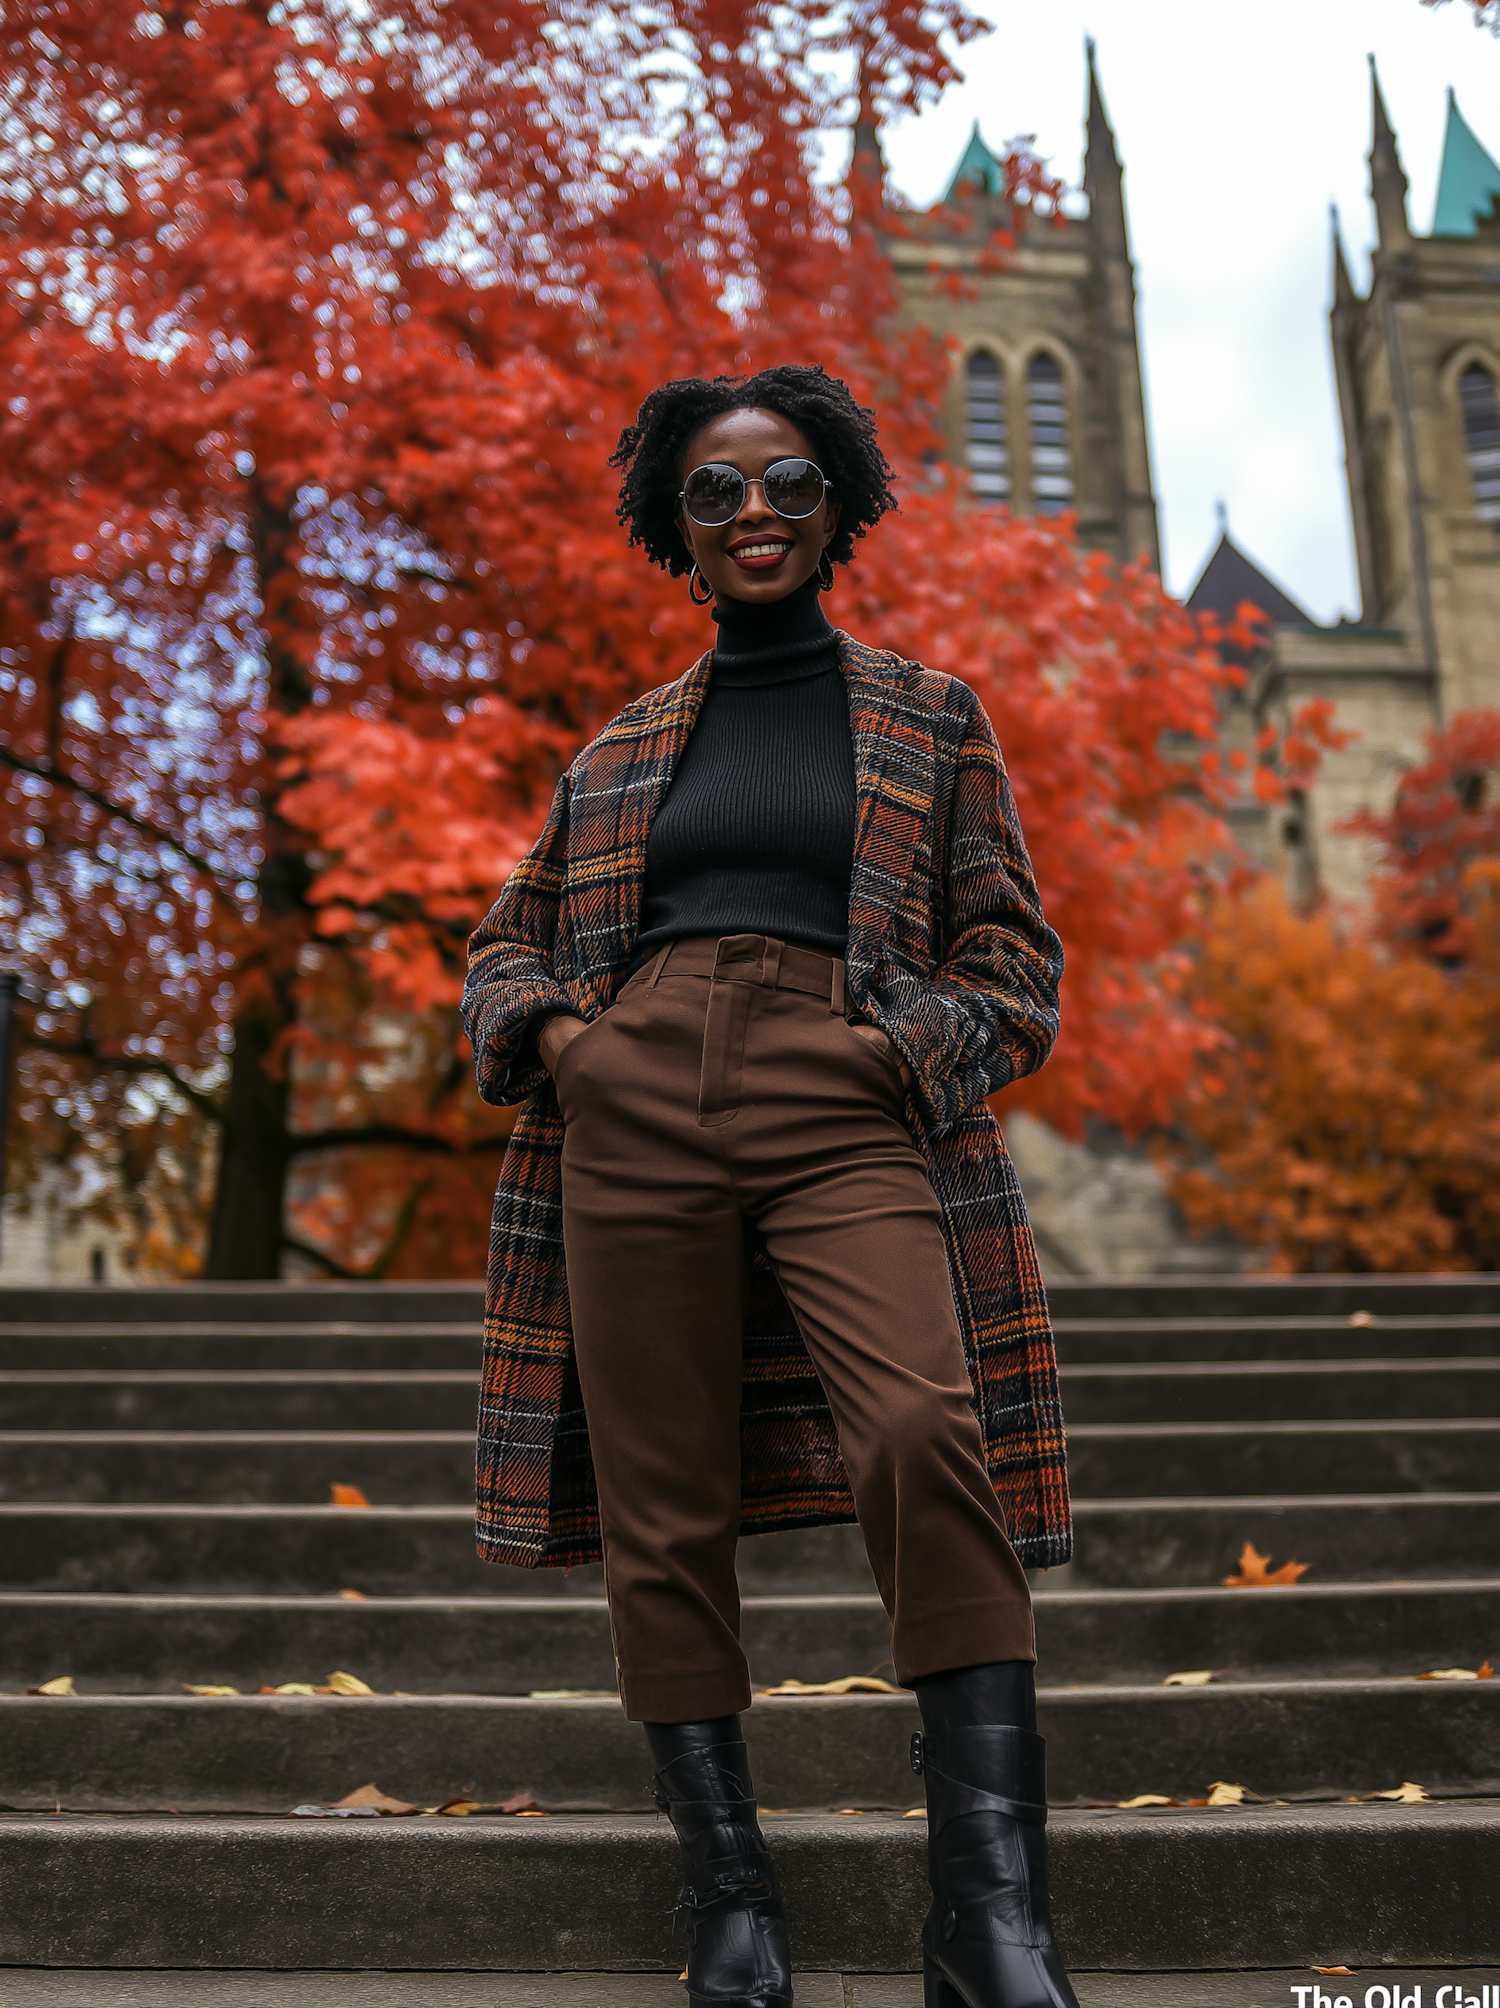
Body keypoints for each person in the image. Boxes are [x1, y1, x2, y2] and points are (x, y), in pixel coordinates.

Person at [463, 364, 1078, 2008]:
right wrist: (572, 1051)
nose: (755, 514)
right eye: (719, 491)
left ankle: (991, 1914)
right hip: (633, 1096)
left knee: (921, 1431)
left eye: (791, 485)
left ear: (841, 507)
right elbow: (502, 949)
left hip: (846, 1079)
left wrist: (905, 1052)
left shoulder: (929, 716)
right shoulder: (617, 752)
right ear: (676, 522)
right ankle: (730, 1898)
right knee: (663, 1505)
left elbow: (1015, 956)